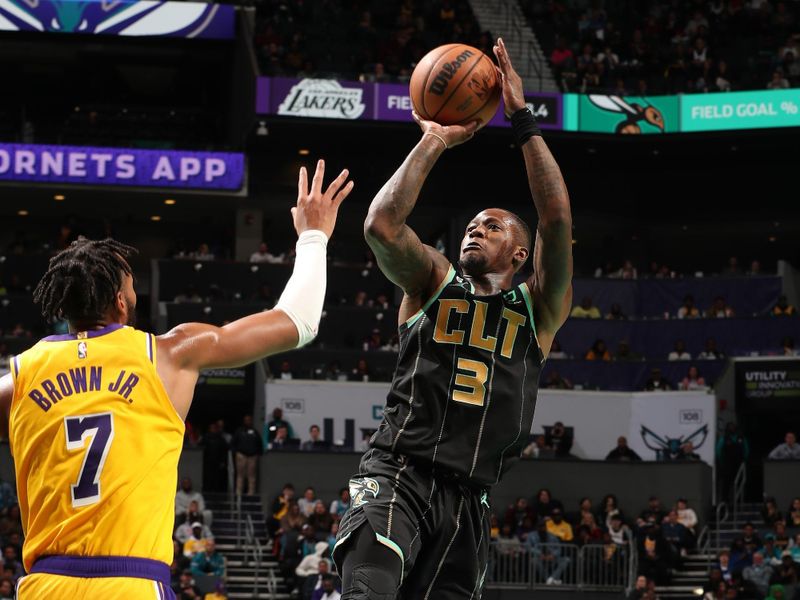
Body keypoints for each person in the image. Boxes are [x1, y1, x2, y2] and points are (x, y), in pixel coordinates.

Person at [0, 160, 353, 598]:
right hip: (131, 582)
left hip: (44, 585)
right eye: (131, 281)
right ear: (121, 302)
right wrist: (313, 236)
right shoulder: (169, 354)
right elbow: (298, 321)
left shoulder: (20, 377)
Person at [332, 38, 573, 600]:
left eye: (492, 226)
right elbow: (381, 226)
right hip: (398, 474)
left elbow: (556, 218)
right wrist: (435, 140)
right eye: (471, 223)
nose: (475, 228)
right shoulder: (433, 283)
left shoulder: (537, 309)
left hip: (470, 500)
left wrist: (521, 119)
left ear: (520, 255)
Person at [231, 415, 263, 496]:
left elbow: (259, 444)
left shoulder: (255, 432)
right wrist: (236, 452)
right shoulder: (239, 431)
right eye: (246, 420)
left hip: (252, 456)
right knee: (240, 475)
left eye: (249, 420)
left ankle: (251, 493)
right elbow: (233, 442)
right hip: (241, 455)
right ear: (244, 421)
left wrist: (258, 453)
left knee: (251, 476)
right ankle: (238, 493)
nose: (248, 421)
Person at [202, 421, 229, 493]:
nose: (213, 429)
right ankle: (207, 490)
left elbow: (224, 450)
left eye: (214, 428)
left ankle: (216, 491)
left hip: (217, 462)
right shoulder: (206, 438)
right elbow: (199, 447)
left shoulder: (220, 439)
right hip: (207, 462)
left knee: (217, 478)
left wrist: (223, 461)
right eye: (211, 428)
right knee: (208, 477)